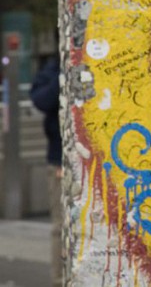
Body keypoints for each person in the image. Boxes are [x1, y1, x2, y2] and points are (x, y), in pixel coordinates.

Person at [30, 52, 63, 287]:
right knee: (61, 226)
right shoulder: (54, 69)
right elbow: (41, 100)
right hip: (59, 159)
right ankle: (59, 280)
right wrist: (64, 76)